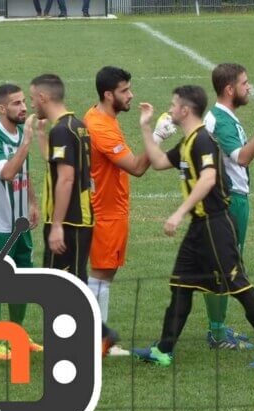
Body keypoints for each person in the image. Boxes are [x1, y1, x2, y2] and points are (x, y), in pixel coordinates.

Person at [132, 85, 254, 368]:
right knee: (181, 285)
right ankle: (163, 350)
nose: (170, 109)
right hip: (199, 228)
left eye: (173, 104)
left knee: (237, 285)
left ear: (185, 110)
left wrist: (179, 213)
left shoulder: (203, 140)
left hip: (216, 225)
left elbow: (208, 179)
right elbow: (158, 162)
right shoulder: (188, 142)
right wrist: (145, 127)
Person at [29, 73, 118, 355]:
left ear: (43, 97)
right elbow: (58, 165)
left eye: (32, 98)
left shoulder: (62, 131)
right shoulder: (76, 126)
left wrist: (56, 225)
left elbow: (66, 179)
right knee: (68, 282)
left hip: (68, 221)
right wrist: (41, 136)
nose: (31, 104)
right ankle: (84, 338)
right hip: (78, 219)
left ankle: (98, 335)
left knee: (63, 286)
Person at [200, 63, 254, 350]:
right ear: (229, 89)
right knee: (225, 267)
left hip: (226, 198)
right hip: (230, 200)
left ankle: (218, 328)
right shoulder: (221, 121)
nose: (249, 88)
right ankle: (218, 333)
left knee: (222, 265)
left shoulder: (221, 117)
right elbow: (242, 157)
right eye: (245, 84)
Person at [84, 66, 150, 356]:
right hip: (106, 213)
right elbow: (136, 167)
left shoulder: (98, 116)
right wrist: (157, 134)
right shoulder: (101, 128)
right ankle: (94, 341)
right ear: (108, 94)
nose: (131, 95)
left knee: (104, 276)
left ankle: (98, 340)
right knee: (100, 276)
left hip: (110, 209)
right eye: (125, 91)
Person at [0, 84, 43, 360]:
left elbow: (23, 171)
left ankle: (17, 335)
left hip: (20, 224)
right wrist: (27, 141)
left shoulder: (19, 132)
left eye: (24, 101)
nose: (24, 107)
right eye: (16, 103)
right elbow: (7, 173)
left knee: (22, 281)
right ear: (2, 108)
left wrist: (32, 203)